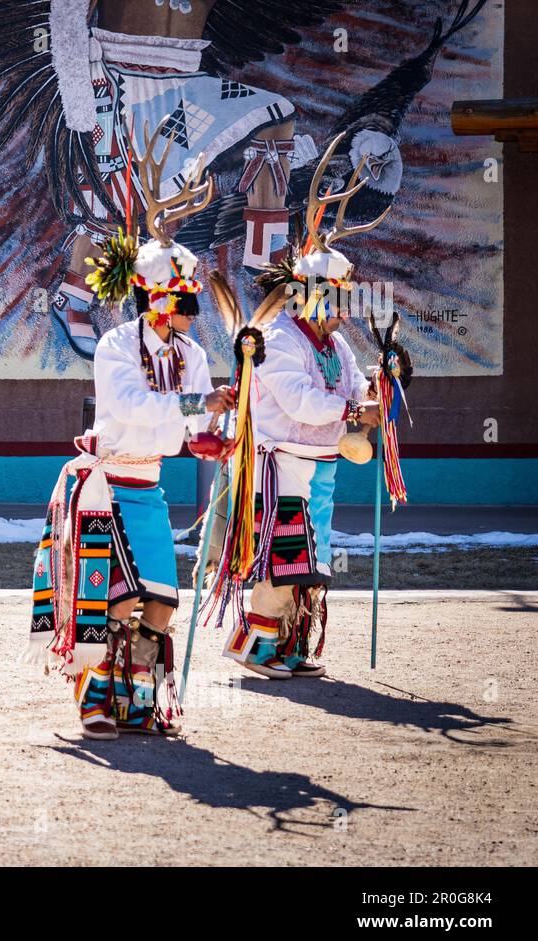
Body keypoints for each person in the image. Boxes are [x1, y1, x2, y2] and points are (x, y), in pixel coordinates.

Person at [26, 131, 235, 739]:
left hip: (148, 488)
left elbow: (189, 427)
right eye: (181, 299)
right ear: (155, 298)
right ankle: (95, 699)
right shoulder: (116, 346)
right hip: (104, 489)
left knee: (162, 606)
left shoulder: (192, 352)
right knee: (112, 602)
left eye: (190, 300)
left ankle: (138, 697)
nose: (188, 311)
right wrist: (194, 407)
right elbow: (129, 409)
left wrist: (218, 424)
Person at [221, 137, 386, 679]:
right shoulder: (278, 336)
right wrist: (347, 413)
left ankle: (292, 646)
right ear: (310, 293)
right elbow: (298, 400)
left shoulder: (333, 344)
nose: (343, 310)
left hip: (321, 466)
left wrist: (374, 395)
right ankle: (254, 646)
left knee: (311, 562)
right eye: (334, 297)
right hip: (281, 466)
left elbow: (354, 386)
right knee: (283, 557)